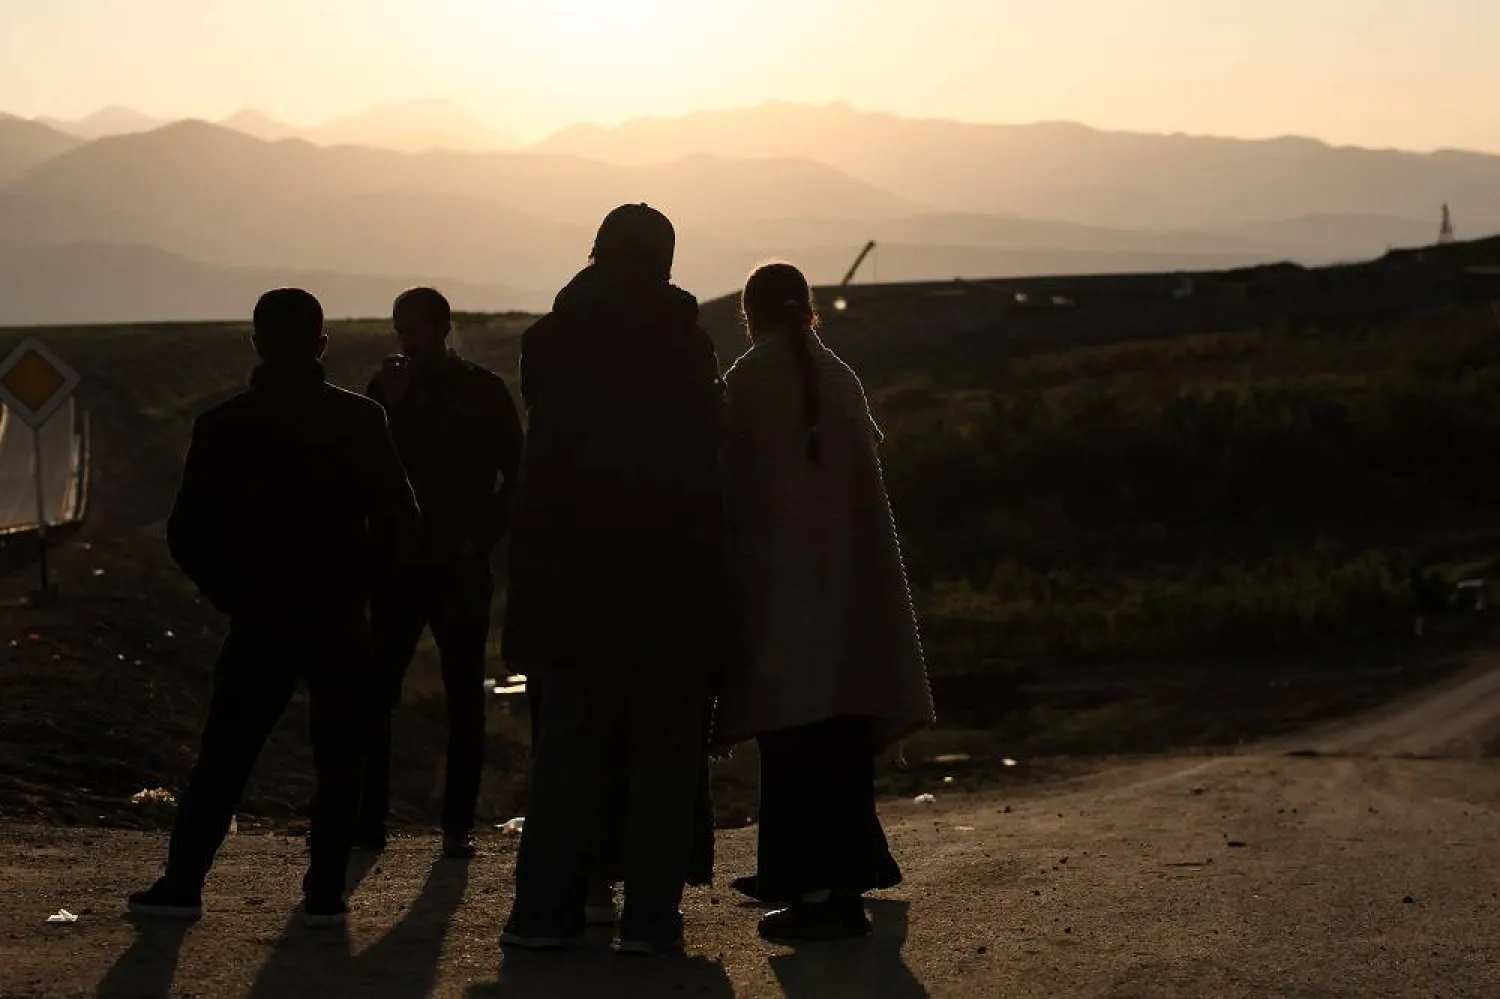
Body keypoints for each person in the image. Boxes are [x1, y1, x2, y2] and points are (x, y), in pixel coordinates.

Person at [128, 288, 420, 926]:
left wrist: (236, 594)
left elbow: (186, 533)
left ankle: (183, 884)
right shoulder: (362, 419)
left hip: (260, 616)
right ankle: (324, 892)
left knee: (226, 752)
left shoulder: (224, 424)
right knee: (340, 754)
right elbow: (401, 523)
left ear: (256, 343)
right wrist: (359, 587)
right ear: (321, 344)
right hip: (340, 617)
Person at [500, 203, 729, 954]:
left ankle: (543, 913)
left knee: (565, 755)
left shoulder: (550, 343)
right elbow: (710, 475)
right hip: (671, 589)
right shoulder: (689, 348)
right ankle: (652, 920)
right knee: (664, 762)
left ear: (596, 255)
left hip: (571, 589)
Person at [714, 262, 935, 943]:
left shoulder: (747, 383)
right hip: (845, 599)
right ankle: (836, 874)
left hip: (782, 598)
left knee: (793, 746)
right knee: (836, 741)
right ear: (809, 310)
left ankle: (820, 897)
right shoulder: (841, 378)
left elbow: (728, 485)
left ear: (749, 316)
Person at [356, 287, 524, 860]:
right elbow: (372, 468)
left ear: (443, 328)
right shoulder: (385, 392)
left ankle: (456, 826)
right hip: (400, 567)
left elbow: (517, 474)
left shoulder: (482, 391)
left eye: (415, 329)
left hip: (457, 564)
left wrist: (481, 539)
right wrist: (394, 408)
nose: (406, 340)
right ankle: (367, 820)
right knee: (378, 693)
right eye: (399, 328)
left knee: (463, 699)